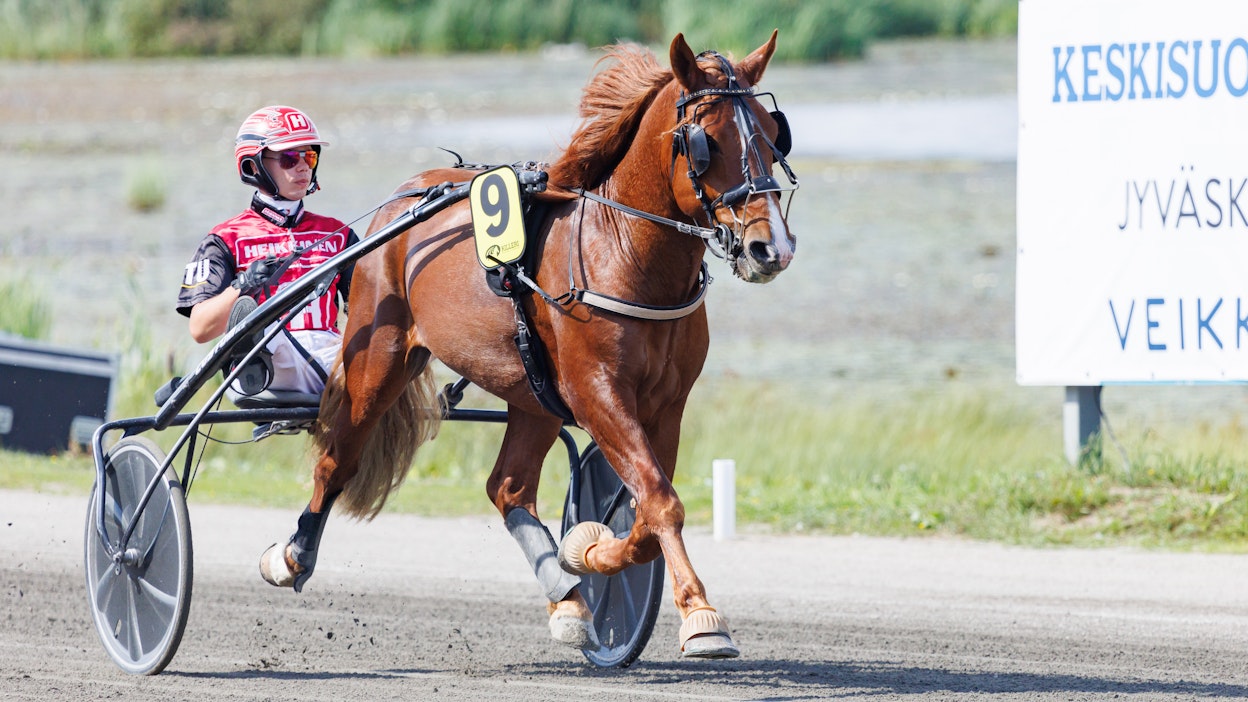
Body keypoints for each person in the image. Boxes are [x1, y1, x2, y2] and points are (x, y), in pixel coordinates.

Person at [177, 105, 356, 397]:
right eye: (288, 158)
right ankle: (250, 337)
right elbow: (200, 329)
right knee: (272, 335)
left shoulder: (339, 234)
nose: (302, 167)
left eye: (309, 156)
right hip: (267, 365)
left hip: (328, 356)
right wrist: (244, 285)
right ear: (254, 165)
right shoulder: (224, 239)